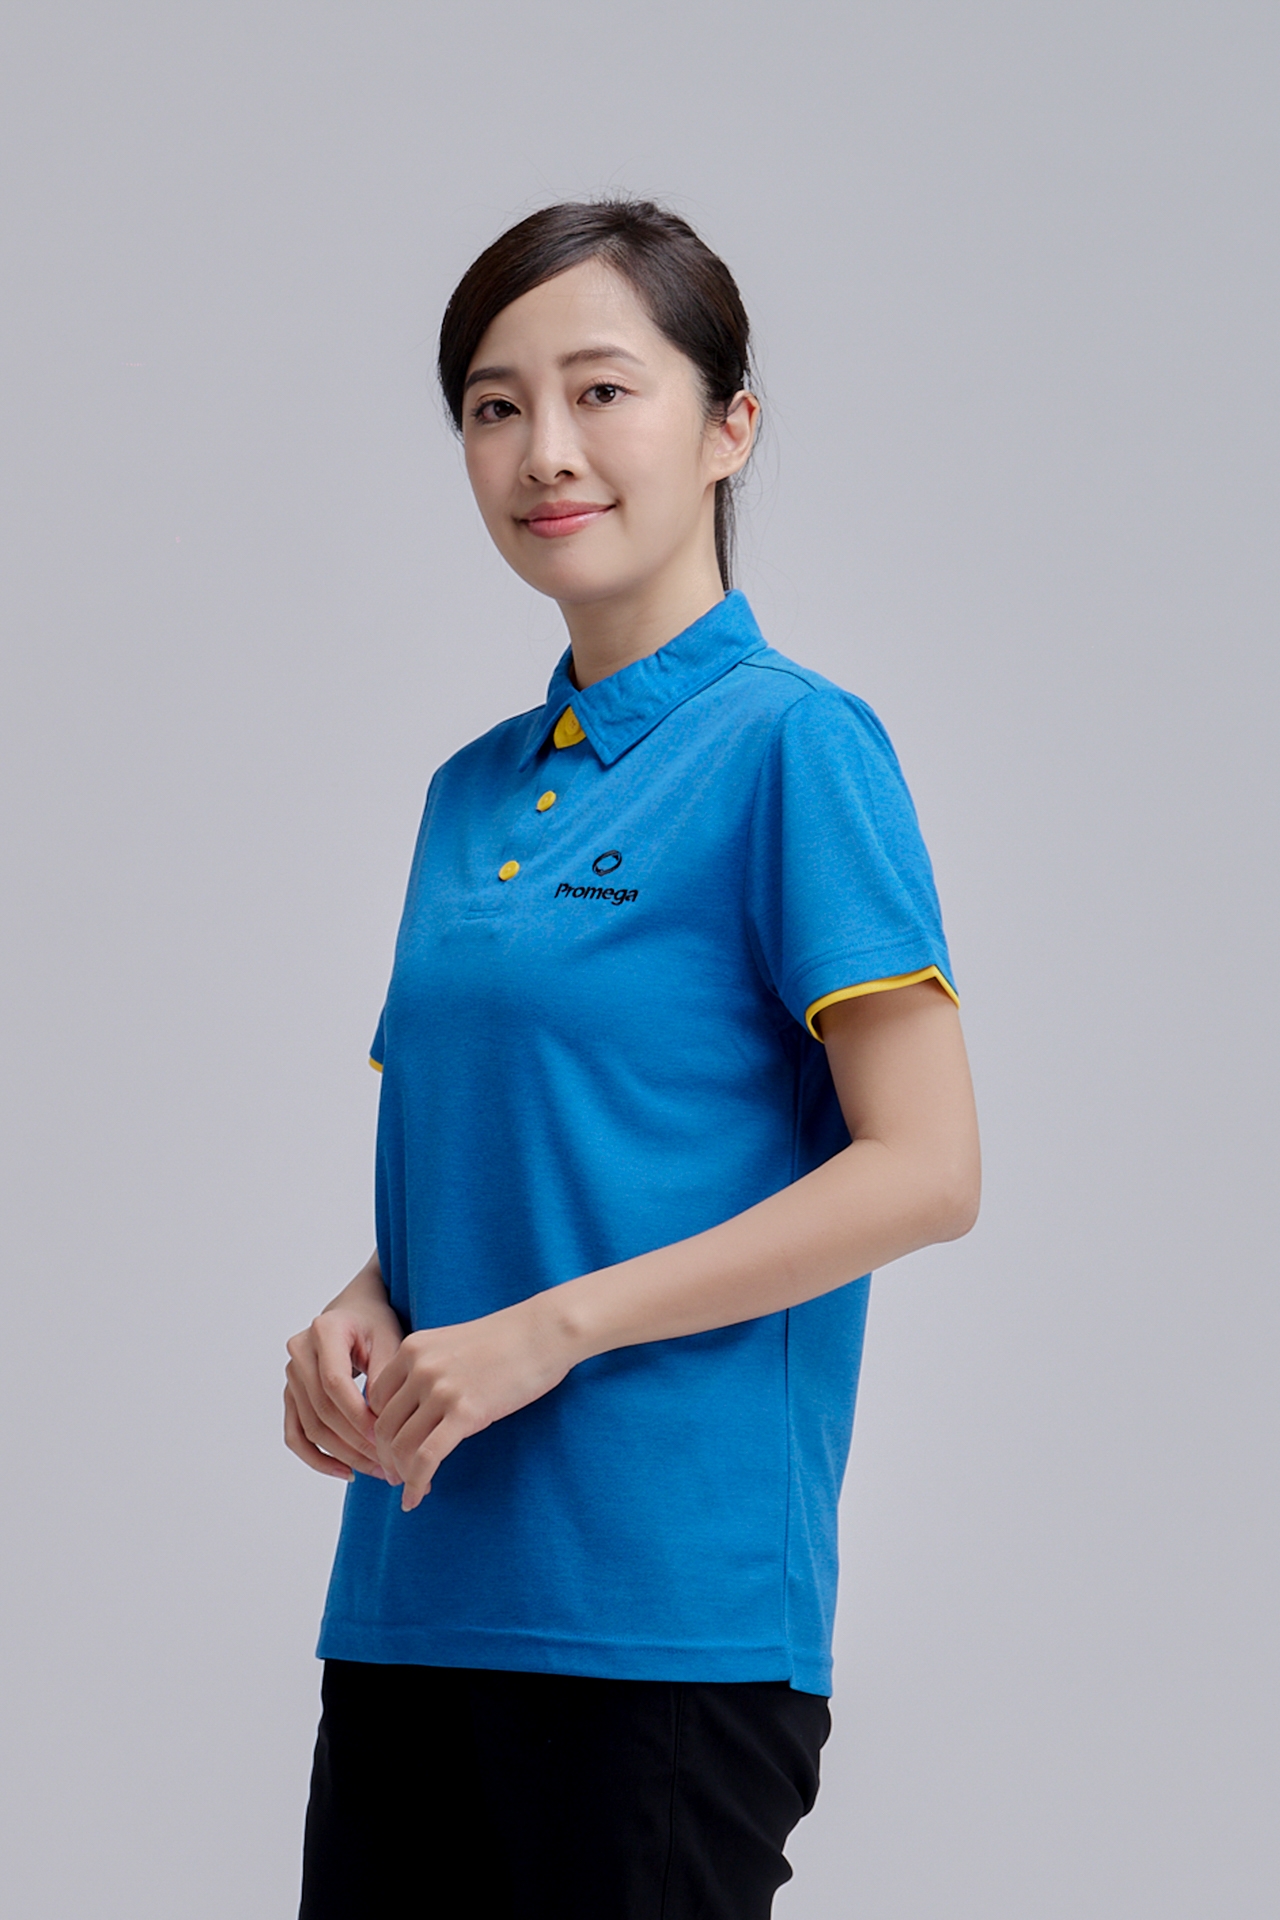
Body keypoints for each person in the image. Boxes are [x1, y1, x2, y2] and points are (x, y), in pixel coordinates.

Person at [283, 198, 980, 1920]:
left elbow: (926, 1169)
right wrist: (369, 1299)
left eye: (602, 391)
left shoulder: (797, 748)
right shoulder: (469, 790)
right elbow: (528, 1142)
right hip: (415, 1592)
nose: (546, 449)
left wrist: (550, 1329)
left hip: (658, 1623)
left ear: (730, 425)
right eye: (496, 405)